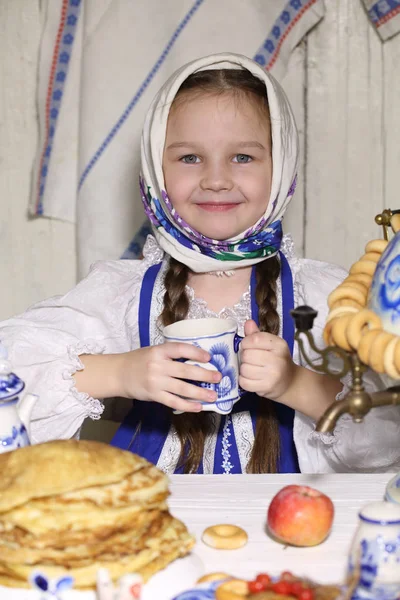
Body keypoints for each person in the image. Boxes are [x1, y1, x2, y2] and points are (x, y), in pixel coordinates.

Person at [1, 53, 399, 474]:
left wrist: (295, 384)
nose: (216, 178)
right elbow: (10, 369)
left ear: (281, 167)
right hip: (147, 519)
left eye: (242, 157)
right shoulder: (124, 290)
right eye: (190, 158)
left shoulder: (326, 297)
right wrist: (121, 374)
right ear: (156, 170)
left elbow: (385, 442)